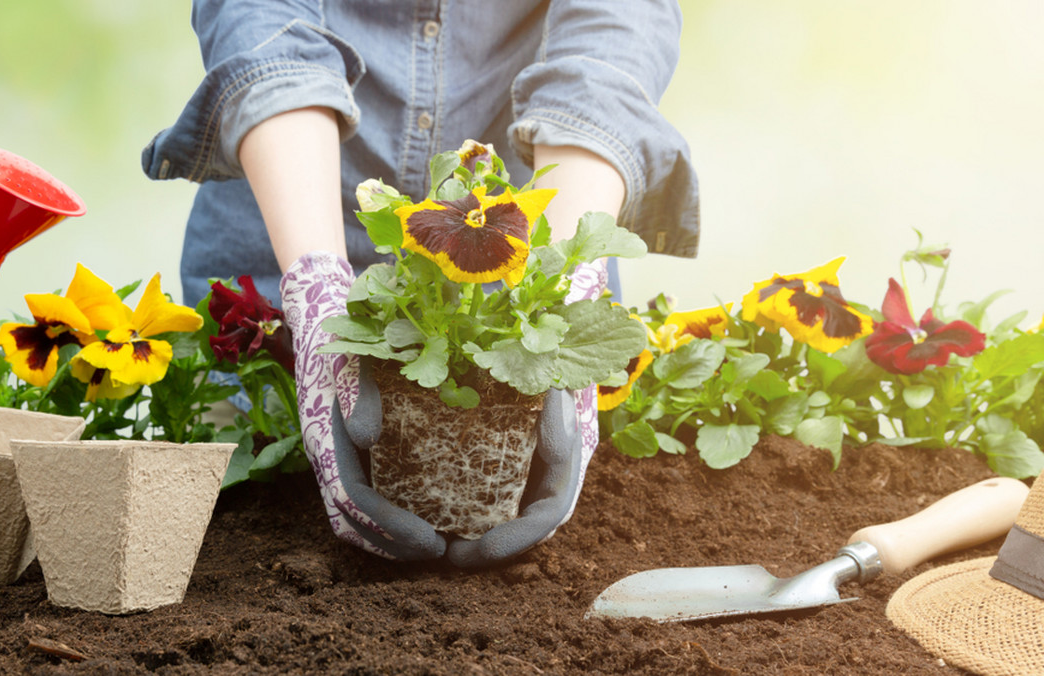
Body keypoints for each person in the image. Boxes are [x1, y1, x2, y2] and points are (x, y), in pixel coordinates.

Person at [142, 0, 700, 567]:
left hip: (515, 248)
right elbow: (260, 17)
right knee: (247, 518)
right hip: (285, 227)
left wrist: (563, 281)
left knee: (531, 494)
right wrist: (315, 292)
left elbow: (618, 19)